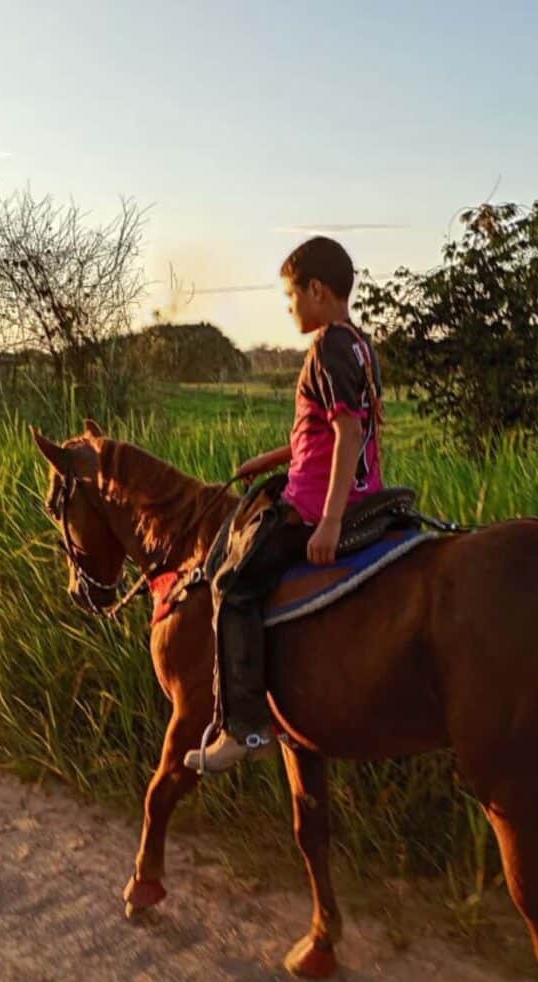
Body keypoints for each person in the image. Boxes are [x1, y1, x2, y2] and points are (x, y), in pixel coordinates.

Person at [184, 236, 383, 773]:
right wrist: (270, 459)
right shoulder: (361, 345)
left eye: (291, 295)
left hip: (316, 504)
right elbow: (323, 431)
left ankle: (243, 727)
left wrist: (330, 522)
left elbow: (346, 433)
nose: (290, 306)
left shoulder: (324, 347)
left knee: (231, 583)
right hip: (366, 492)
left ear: (317, 290)